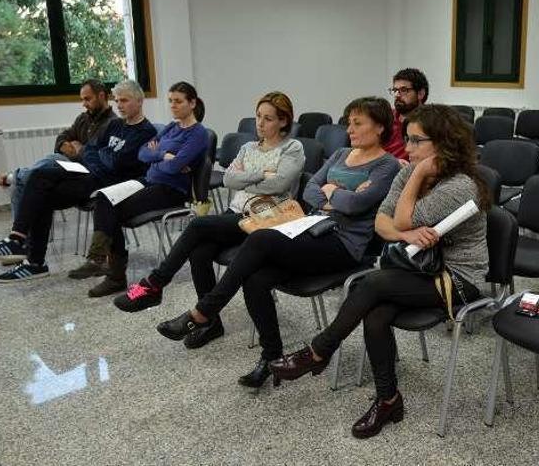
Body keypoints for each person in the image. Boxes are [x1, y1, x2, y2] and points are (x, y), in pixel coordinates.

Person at [269, 104, 490, 439]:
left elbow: (400, 218)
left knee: (372, 284)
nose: (409, 149)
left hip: (457, 278)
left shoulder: (459, 186)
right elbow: (383, 223)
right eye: (408, 140)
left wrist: (414, 179)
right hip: (416, 269)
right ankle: (389, 400)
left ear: (443, 143)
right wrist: (404, 233)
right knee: (376, 316)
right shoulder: (408, 171)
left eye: (418, 141)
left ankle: (319, 350)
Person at [153, 96, 400, 388]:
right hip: (311, 229)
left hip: (345, 245)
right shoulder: (340, 154)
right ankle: (271, 358)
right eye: (349, 122)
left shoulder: (387, 165)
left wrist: (332, 192)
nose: (350, 129)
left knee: (261, 238)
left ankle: (204, 311)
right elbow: (309, 192)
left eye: (358, 124)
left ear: (380, 128)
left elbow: (359, 204)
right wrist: (338, 195)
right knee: (256, 278)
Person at [111, 91, 304, 310]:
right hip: (237, 214)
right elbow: (229, 180)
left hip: (267, 218)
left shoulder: (292, 148)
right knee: (199, 251)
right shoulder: (248, 148)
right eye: (258, 116)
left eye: (268, 119)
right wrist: (262, 175)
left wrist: (245, 179)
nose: (260, 123)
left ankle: (155, 283)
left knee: (197, 224)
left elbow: (278, 185)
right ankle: (210, 323)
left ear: (283, 120)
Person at [0, 79, 157, 282]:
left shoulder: (146, 132)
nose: (120, 105)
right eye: (118, 100)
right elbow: (90, 151)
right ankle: (22, 246)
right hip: (89, 173)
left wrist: (97, 154)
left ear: (140, 101)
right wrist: (96, 154)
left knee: (44, 187)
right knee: (39, 178)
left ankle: (29, 254)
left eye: (125, 100)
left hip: (109, 183)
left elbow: (117, 163)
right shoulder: (115, 125)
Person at [70, 81, 211, 297]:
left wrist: (161, 157)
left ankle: (114, 275)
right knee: (104, 199)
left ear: (192, 103)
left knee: (112, 213)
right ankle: (100, 260)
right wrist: (162, 155)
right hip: (148, 180)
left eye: (179, 101)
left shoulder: (198, 133)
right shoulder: (173, 127)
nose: (173, 106)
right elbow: (143, 153)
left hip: (170, 189)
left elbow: (174, 168)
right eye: (171, 101)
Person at [0, 79, 118, 220]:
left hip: (85, 173)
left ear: (101, 96)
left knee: (47, 165)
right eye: (82, 99)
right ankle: (19, 238)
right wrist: (64, 145)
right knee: (22, 185)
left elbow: (95, 156)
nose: (83, 104)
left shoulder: (113, 124)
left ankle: (10, 178)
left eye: (88, 99)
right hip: (67, 164)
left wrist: (78, 151)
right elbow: (64, 135)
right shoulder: (83, 118)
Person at [385, 68, 429, 161]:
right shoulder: (385, 116)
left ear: (421, 94)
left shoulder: (430, 123)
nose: (397, 95)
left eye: (403, 90)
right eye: (395, 90)